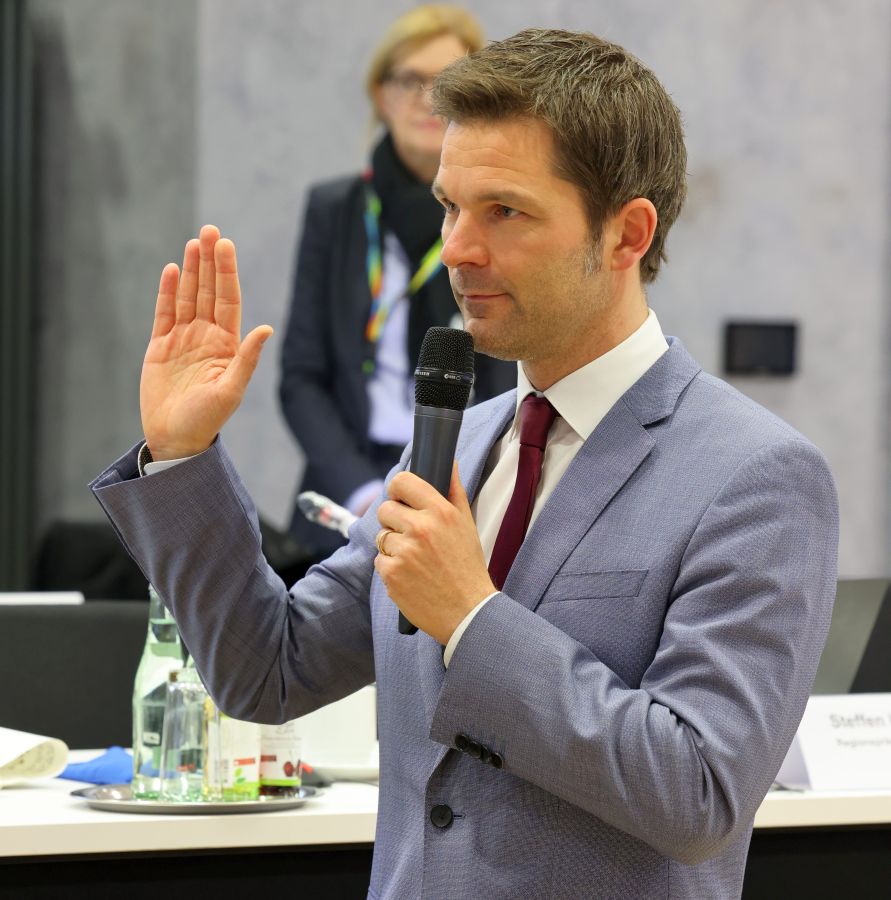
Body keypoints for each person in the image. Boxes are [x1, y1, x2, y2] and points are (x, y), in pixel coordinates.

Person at [92, 28, 839, 900]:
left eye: (504, 212)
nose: (455, 248)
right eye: (449, 206)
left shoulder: (756, 477)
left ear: (627, 233)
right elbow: (267, 669)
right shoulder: (455, 443)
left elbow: (699, 793)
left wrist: (472, 618)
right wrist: (183, 454)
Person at [280, 4, 514, 554]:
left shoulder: (501, 217)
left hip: (462, 495)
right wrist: (366, 495)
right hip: (344, 501)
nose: (428, 100)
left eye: (448, 83)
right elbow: (301, 378)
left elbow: (506, 378)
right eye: (411, 81)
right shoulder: (336, 211)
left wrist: (463, 488)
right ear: (380, 96)